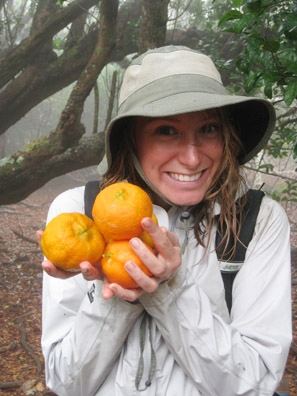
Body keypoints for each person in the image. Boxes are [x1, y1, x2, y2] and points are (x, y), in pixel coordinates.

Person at [39, 46, 292, 396]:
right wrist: (119, 294)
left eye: (208, 128)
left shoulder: (257, 220)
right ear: (132, 139)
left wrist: (170, 291)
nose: (191, 158)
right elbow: (67, 382)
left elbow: (255, 383)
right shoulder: (79, 214)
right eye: (166, 131)